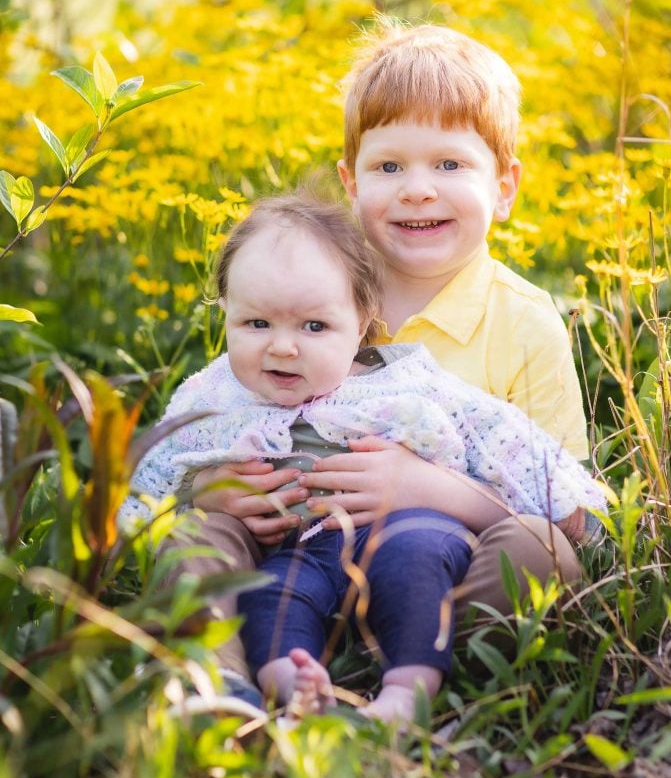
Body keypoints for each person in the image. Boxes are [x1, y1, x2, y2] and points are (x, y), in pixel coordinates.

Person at [120, 193, 605, 721]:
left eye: (313, 327)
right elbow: (148, 491)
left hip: (421, 580)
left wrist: (431, 488)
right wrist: (205, 491)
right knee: (190, 539)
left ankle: (416, 663)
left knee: (538, 546)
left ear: (362, 320)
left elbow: (530, 470)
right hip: (270, 589)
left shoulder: (412, 388)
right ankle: (223, 683)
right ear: (225, 313)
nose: (282, 347)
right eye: (256, 324)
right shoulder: (210, 396)